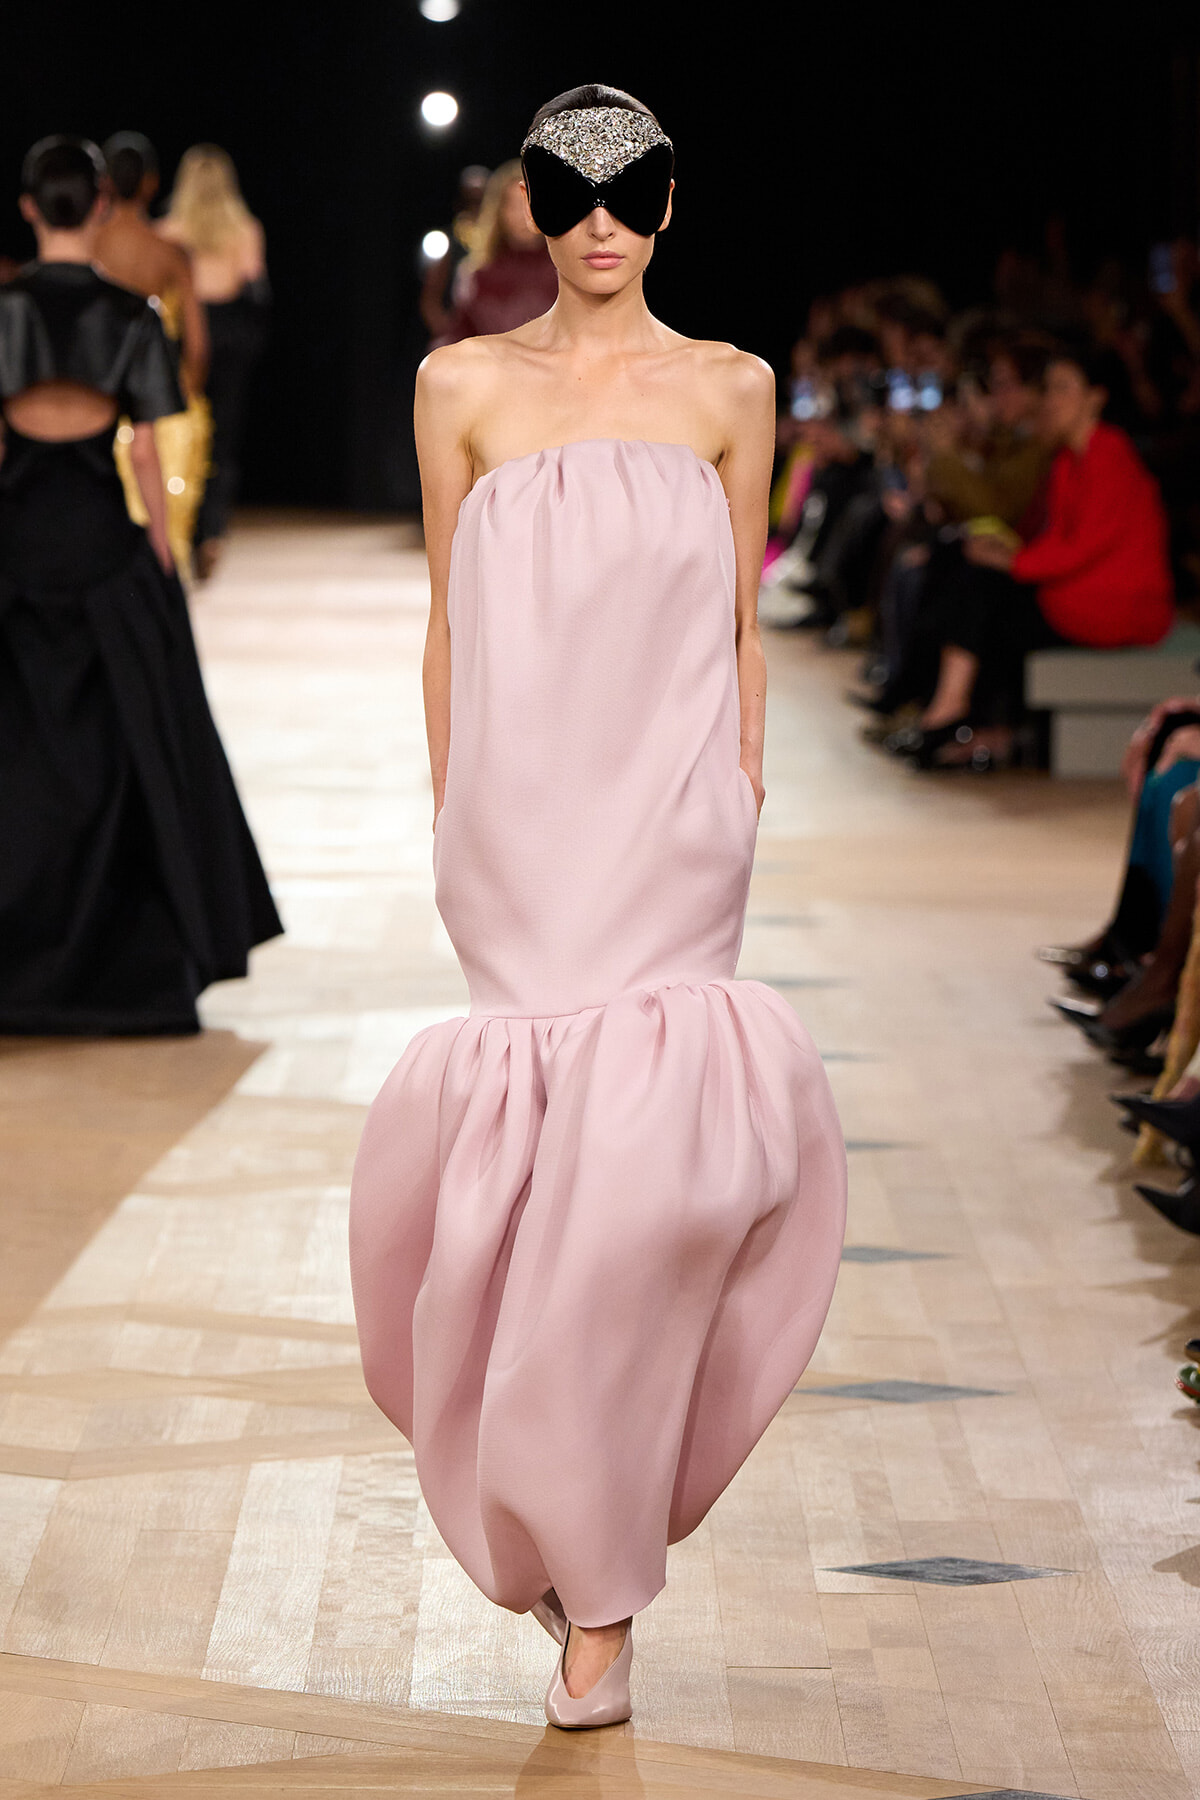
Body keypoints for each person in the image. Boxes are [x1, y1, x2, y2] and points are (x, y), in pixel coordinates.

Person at [349, 84, 845, 1729]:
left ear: (671, 204)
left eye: (628, 189)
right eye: (569, 191)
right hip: (520, 826)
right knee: (540, 1190)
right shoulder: (460, 386)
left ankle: (605, 1580)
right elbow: (446, 612)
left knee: (643, 1197)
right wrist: (449, 806)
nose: (599, 220)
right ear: (530, 209)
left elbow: (744, 617)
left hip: (674, 822)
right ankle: (576, 1546)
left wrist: (745, 783)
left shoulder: (732, 389)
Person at [0, 137, 281, 1033]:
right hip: (101, 553)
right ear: (100, 207)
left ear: (30, 208)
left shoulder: (1, 311)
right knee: (135, 745)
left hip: (16, 548)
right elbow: (149, 447)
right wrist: (159, 556)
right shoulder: (129, 317)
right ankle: (128, 955)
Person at [897, 344, 1174, 767]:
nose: (1051, 401)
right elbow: (1060, 539)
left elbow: (1084, 545)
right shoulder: (1068, 460)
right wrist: (1011, 554)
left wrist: (1013, 563)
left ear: (1096, 397)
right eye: (1050, 389)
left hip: (1119, 602)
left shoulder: (1110, 452)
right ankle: (958, 717)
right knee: (974, 579)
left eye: (1063, 389)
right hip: (1082, 590)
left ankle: (952, 715)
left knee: (986, 591)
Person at [96, 132, 211, 571]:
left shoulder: (89, 247)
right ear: (150, 184)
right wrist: (189, 399)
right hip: (159, 405)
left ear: (103, 183)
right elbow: (197, 343)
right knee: (164, 543)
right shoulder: (170, 254)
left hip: (99, 404)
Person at [158, 145, 269, 580]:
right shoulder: (244, 229)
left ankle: (180, 531)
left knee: (179, 432)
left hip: (185, 334)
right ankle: (213, 533)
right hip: (230, 335)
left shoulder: (167, 231)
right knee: (223, 436)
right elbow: (254, 284)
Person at [434, 159, 558, 344]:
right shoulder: (477, 275)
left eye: (529, 203)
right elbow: (459, 334)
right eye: (512, 205)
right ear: (498, 210)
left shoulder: (566, 271)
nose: (522, 215)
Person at [419, 164, 489, 340]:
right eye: (470, 200)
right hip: (460, 335)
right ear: (460, 201)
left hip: (498, 331)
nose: (475, 207)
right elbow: (430, 297)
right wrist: (447, 333)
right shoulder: (447, 241)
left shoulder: (502, 242)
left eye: (481, 200)